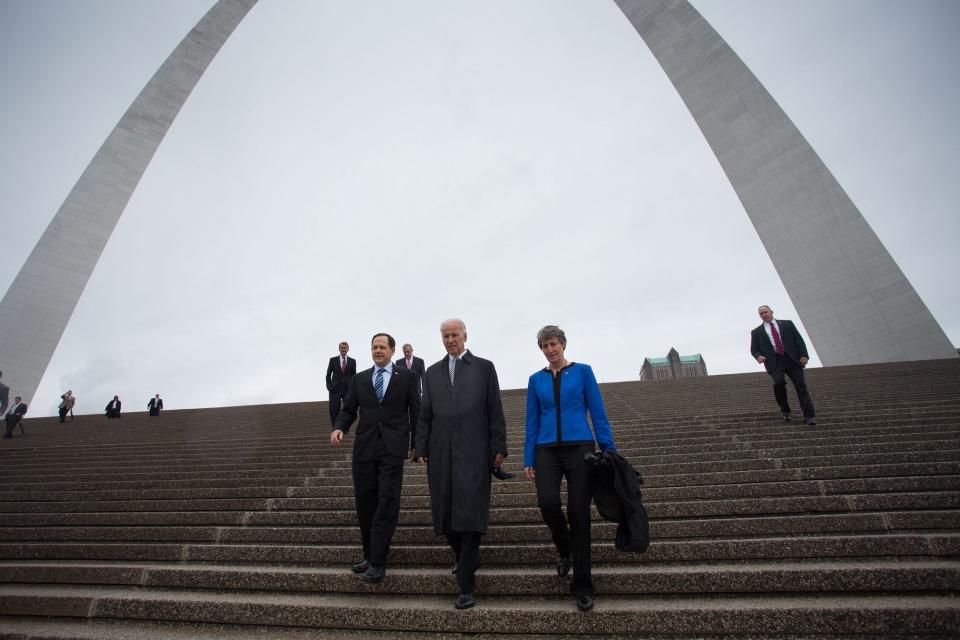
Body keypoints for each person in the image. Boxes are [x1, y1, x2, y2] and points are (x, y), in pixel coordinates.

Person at [414, 318, 507, 610]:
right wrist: (421, 446)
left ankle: (466, 584)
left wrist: (499, 447)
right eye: (445, 335)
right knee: (446, 513)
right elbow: (425, 414)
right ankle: (466, 557)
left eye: (454, 334)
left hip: (475, 449)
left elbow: (495, 409)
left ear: (465, 336)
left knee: (470, 512)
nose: (450, 339)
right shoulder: (431, 372)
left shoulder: (484, 367)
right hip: (441, 451)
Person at [524, 325, 617, 612]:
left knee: (579, 513)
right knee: (548, 503)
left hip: (580, 447)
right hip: (546, 449)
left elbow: (597, 410)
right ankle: (564, 548)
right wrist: (529, 457)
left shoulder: (583, 372)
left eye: (553, 344)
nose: (550, 350)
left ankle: (583, 585)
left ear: (563, 344)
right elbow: (532, 420)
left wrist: (608, 447)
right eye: (544, 346)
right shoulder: (535, 380)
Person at [330, 333, 421, 584]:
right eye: (374, 347)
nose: (377, 351)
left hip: (393, 448)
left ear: (393, 350)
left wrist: (418, 446)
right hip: (365, 447)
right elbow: (348, 408)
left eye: (382, 347)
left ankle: (379, 562)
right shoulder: (359, 379)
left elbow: (417, 411)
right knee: (365, 504)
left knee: (386, 502)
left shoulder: (409, 377)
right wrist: (340, 427)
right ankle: (369, 555)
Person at [750, 305, 817, 426]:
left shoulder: (787, 324)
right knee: (779, 383)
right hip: (774, 361)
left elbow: (798, 340)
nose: (764, 314)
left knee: (801, 387)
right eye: (761, 314)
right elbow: (754, 349)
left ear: (771, 312)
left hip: (792, 359)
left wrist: (804, 355)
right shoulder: (756, 332)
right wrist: (758, 356)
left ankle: (809, 415)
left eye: (765, 312)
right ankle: (785, 410)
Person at [326, 341, 357, 426]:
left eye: (345, 348)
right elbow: (328, 375)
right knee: (334, 409)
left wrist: (353, 388)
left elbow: (354, 375)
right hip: (335, 389)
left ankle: (345, 427)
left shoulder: (352, 361)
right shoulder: (333, 360)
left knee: (348, 408)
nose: (343, 349)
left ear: (348, 349)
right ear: (339, 349)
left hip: (348, 389)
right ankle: (335, 428)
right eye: (342, 348)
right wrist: (329, 387)